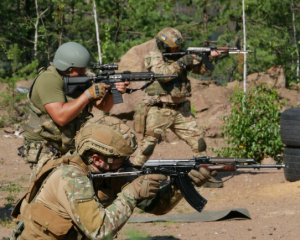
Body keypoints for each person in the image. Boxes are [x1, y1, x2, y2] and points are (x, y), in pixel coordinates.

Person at [11, 116, 216, 240]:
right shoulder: (70, 178)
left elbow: (157, 207)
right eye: (121, 158)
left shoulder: (109, 171)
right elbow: (99, 232)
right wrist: (131, 194)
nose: (128, 162)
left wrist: (182, 183)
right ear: (98, 159)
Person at [21, 42, 128, 181]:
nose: (84, 72)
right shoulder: (48, 80)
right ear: (66, 68)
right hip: (46, 146)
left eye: (84, 68)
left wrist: (114, 91)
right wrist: (87, 95)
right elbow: (61, 117)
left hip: (70, 144)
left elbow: (104, 107)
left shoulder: (81, 78)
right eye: (79, 69)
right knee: (52, 187)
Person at [133, 27, 221, 168]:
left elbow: (200, 70)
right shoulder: (154, 56)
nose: (177, 50)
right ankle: (132, 173)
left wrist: (210, 57)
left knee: (199, 144)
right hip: (160, 110)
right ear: (164, 46)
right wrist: (182, 62)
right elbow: (163, 75)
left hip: (181, 110)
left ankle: (204, 175)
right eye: (174, 48)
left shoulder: (179, 56)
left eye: (179, 47)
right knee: (147, 148)